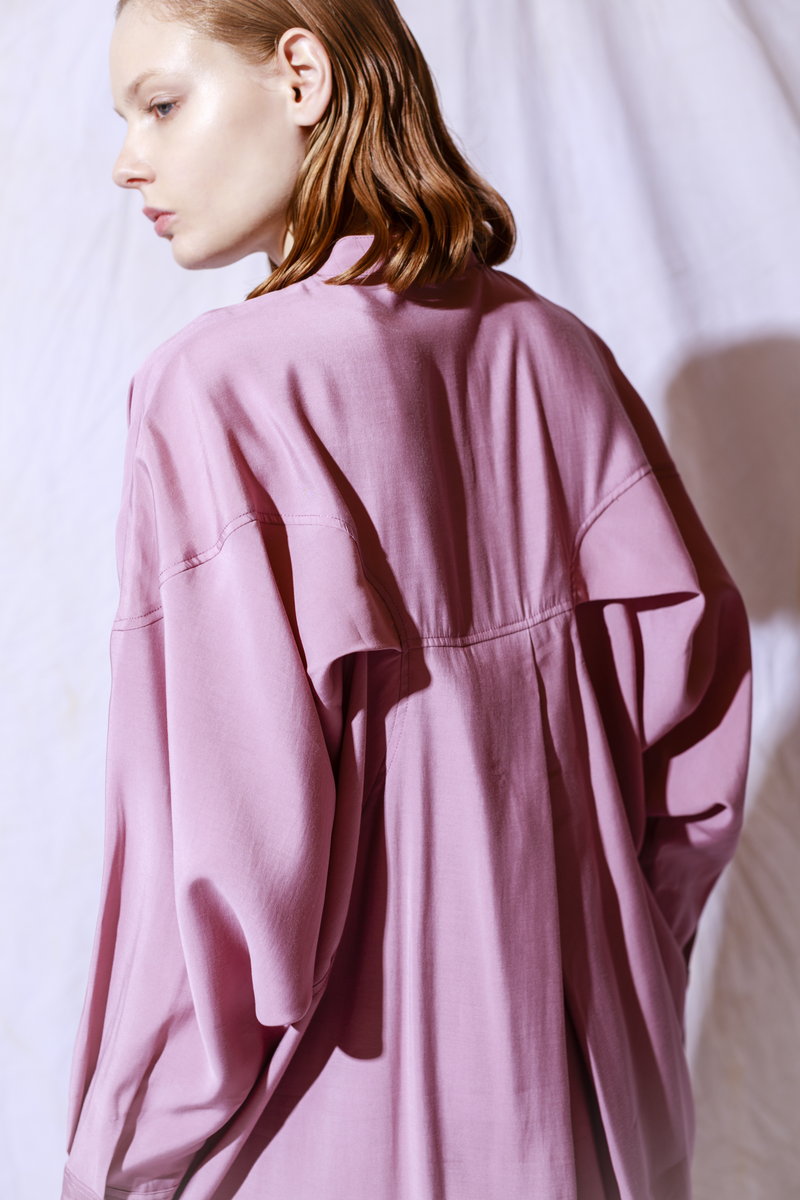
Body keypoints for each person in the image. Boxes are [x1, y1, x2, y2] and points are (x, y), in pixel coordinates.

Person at [60, 1, 753, 1197]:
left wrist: (117, 1160)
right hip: (599, 1115)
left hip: (340, 1125)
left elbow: (221, 879)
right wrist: (614, 974)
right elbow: (693, 761)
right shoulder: (560, 356)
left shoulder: (216, 395)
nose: (130, 160)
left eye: (162, 105)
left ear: (301, 73)